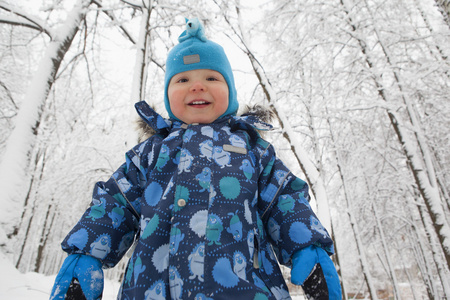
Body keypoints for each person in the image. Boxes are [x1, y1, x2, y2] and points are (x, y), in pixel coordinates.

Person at [50, 18, 341, 300]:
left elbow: (284, 200)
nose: (197, 86)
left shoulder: (253, 150)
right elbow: (116, 202)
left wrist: (308, 248)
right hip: (152, 288)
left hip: (246, 288)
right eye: (183, 79)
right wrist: (86, 253)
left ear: (231, 92)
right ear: (168, 96)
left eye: (212, 77)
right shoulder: (151, 153)